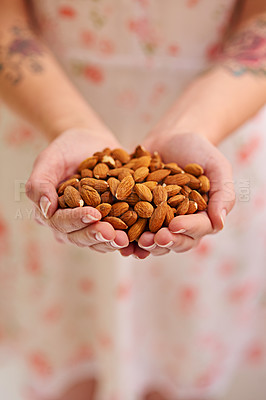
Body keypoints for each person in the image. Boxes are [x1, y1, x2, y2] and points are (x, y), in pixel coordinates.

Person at [0, 0, 266, 399]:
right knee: (68, 363)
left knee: (179, 354)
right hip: (49, 129)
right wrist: (70, 123)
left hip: (216, 126)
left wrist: (196, 125)